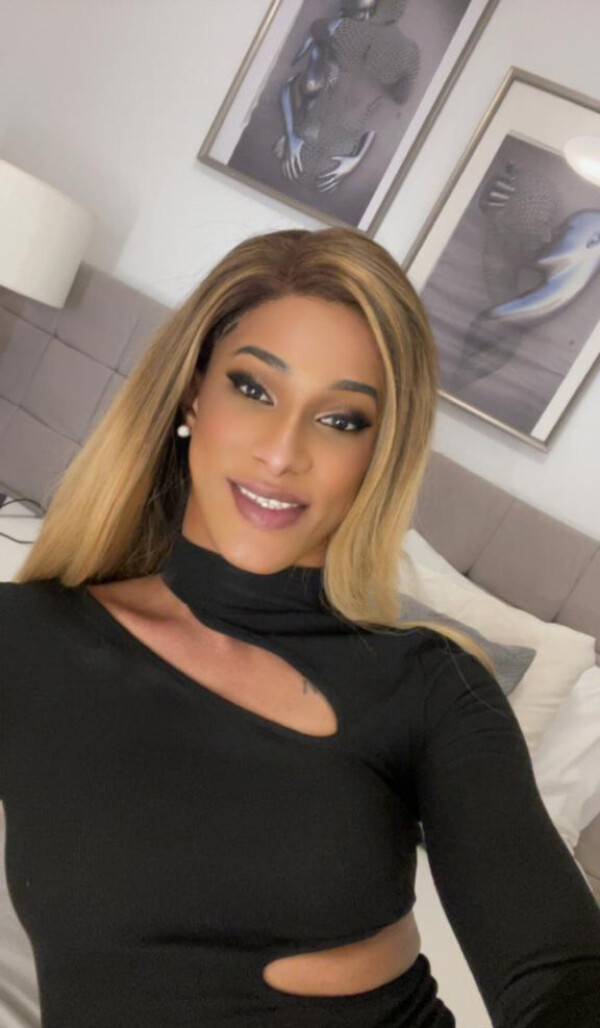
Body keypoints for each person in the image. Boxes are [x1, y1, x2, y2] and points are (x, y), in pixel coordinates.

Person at [2, 226, 600, 1028]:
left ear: (380, 453)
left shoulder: (432, 689)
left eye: (342, 419)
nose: (283, 453)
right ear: (193, 394)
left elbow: (562, 979)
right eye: (254, 389)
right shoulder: (28, 637)